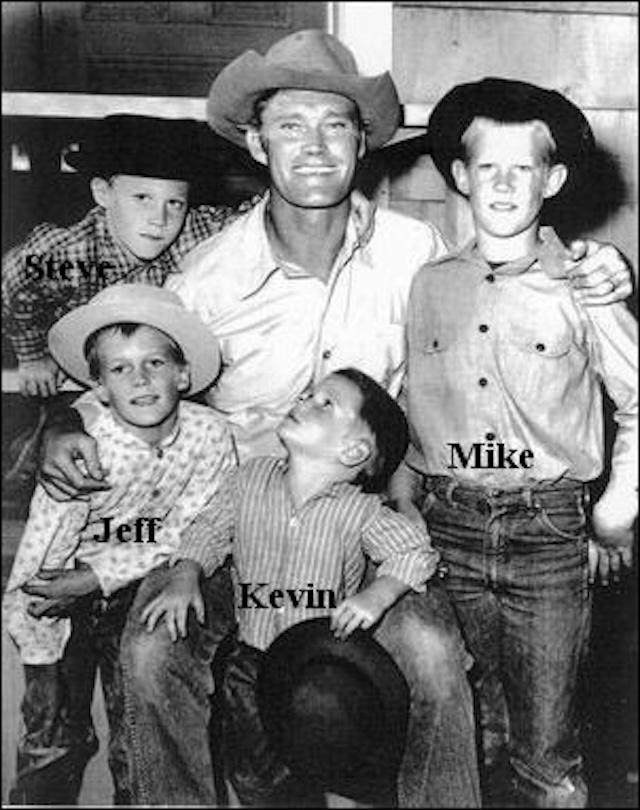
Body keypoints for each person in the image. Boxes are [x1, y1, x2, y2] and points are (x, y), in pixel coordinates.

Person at [36, 30, 633, 807]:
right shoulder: (207, 276)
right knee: (153, 652)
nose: (314, 147)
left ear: (363, 142)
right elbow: (138, 369)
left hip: (370, 530)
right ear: (256, 141)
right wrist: (66, 419)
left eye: (335, 125)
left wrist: (599, 272)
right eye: (290, 125)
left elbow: (508, 288)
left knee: (429, 646)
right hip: (240, 534)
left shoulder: (414, 251)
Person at [392, 77, 638, 808]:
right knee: (461, 734)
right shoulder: (429, 285)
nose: (503, 183)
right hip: (446, 532)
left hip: (547, 537)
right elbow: (414, 404)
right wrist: (405, 497)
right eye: (487, 167)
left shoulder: (586, 285)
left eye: (523, 168)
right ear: (460, 177)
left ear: (554, 180)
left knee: (546, 758)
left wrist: (612, 512)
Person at [139, 367, 440, 806]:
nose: (305, 402)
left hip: (319, 671)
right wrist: (185, 576)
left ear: (355, 450)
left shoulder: (359, 511)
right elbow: (208, 529)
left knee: (325, 760)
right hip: (250, 660)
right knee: (256, 776)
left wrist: (378, 593)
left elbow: (415, 550)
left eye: (325, 404)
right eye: (307, 394)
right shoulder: (249, 479)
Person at [3, 283, 237, 804]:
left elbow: (198, 528)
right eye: (120, 369)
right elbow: (37, 575)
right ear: (99, 389)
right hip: (62, 596)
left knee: (136, 734)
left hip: (136, 586)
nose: (140, 379)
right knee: (51, 733)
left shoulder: (210, 435)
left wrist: (102, 575)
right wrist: (40, 669)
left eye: (155, 362)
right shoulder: (82, 454)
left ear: (183, 375)